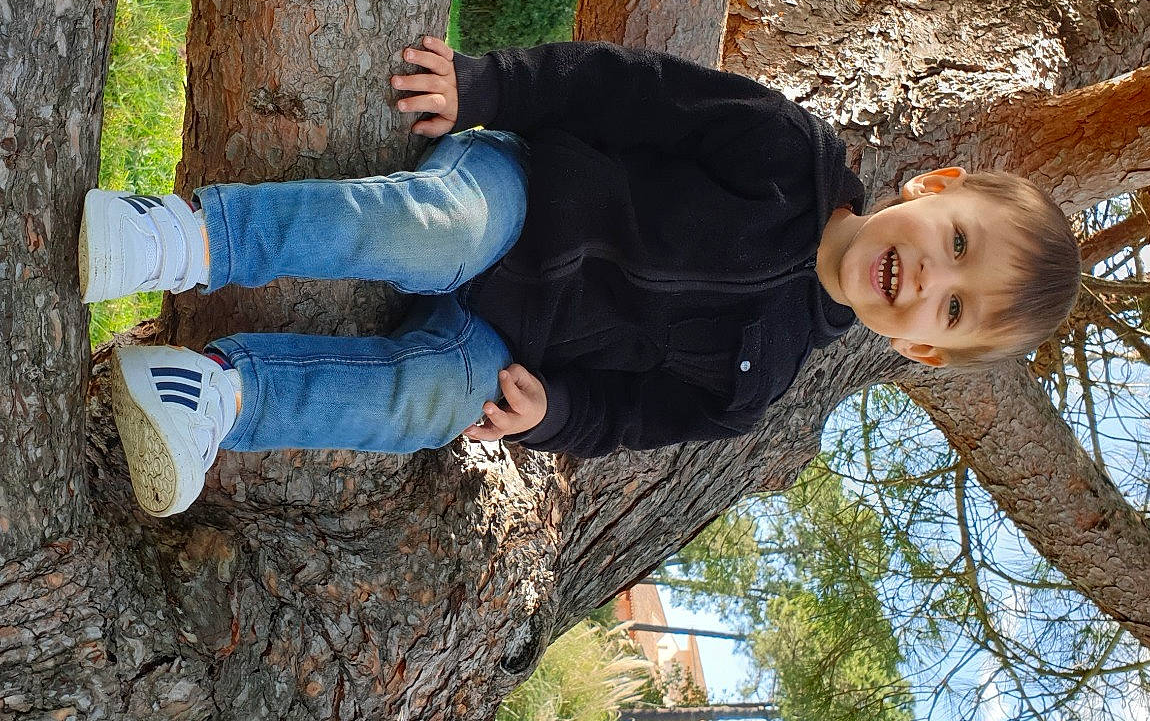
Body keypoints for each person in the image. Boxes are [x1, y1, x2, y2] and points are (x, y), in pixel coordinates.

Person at [80, 38, 1079, 517]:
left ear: (916, 346)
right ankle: (176, 236)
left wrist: (548, 412)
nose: (924, 279)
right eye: (953, 240)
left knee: (431, 398)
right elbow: (625, 92)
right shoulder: (787, 153)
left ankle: (208, 394)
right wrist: (490, 85)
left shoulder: (752, 385)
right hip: (515, 197)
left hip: (507, 341)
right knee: (436, 231)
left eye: (950, 308)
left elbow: (623, 417)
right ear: (933, 186)